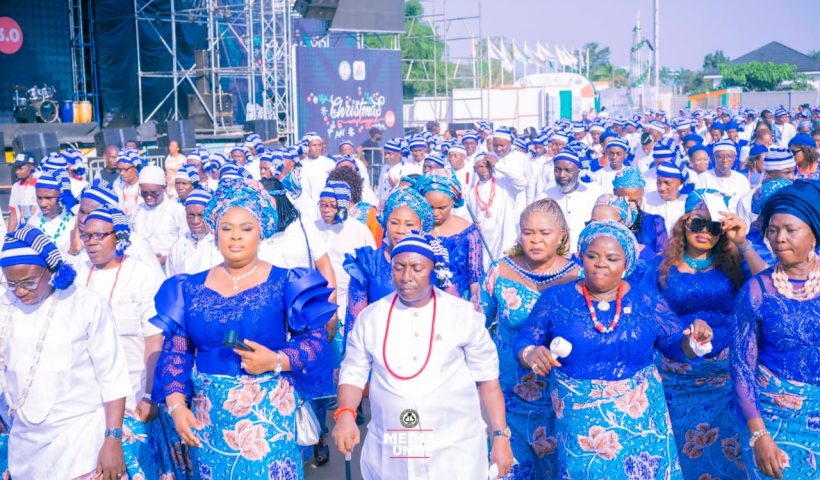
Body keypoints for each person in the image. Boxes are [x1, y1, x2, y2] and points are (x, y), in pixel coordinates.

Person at [151, 178, 336, 479]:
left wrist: (277, 360)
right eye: (227, 228)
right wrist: (176, 406)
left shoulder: (286, 282)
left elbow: (315, 343)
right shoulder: (189, 287)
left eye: (246, 229)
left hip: (270, 420)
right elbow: (176, 353)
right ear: (215, 232)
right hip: (208, 420)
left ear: (261, 232)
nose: (235, 236)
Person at [515, 220, 714, 478]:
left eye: (611, 258)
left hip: (642, 422)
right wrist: (530, 353)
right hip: (582, 426)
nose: (600, 264)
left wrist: (694, 340)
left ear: (625, 265)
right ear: (581, 257)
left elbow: (675, 346)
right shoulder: (557, 299)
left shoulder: (646, 299)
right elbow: (525, 340)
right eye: (592, 256)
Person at [332, 232, 514, 479]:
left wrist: (500, 436)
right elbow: (353, 371)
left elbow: (488, 380)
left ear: (432, 271)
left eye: (416, 268)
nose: (406, 277)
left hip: (454, 451)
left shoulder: (462, 315)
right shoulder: (370, 317)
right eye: (398, 268)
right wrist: (345, 414)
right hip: (392, 448)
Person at [0, 224, 131, 479]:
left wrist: (113, 439)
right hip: (25, 446)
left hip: (81, 442)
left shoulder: (86, 305)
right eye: (12, 283)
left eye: (28, 282)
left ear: (50, 270)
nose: (21, 291)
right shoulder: (6, 305)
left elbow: (113, 377)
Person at [655, 189, 763, 480]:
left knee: (727, 461)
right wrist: (683, 335)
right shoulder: (659, 266)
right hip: (676, 376)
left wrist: (742, 243)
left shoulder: (735, 263)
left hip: (724, 380)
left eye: (714, 226)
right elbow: (649, 309)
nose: (704, 232)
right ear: (684, 222)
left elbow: (770, 287)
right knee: (681, 458)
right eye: (697, 223)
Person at [479, 199, 580, 479]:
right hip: (508, 399)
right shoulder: (500, 272)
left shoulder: (579, 277)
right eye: (528, 232)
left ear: (561, 235)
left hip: (560, 401)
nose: (535, 240)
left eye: (544, 233)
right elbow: (476, 326)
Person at [731, 179, 820, 480]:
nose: (779, 239)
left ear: (813, 233)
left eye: (790, 230)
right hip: (774, 422)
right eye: (773, 230)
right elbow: (741, 368)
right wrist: (759, 435)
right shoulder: (757, 291)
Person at [77, 205, 165, 478]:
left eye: (99, 235)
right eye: (86, 235)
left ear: (119, 237)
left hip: (133, 396)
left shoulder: (141, 276)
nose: (91, 242)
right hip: (85, 402)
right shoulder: (76, 275)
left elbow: (154, 341)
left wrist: (150, 395)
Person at [417, 172, 484, 303]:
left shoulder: (468, 232)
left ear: (453, 202)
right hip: (423, 301)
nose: (435, 213)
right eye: (430, 207)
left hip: (459, 303)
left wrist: (475, 306)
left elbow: (475, 276)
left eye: (442, 208)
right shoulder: (417, 229)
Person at [535, 148, 601, 252]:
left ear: (578, 171)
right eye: (557, 170)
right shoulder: (544, 197)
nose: (562, 175)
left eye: (568, 170)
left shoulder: (593, 194)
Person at [467, 153, 520, 270]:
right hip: (483, 237)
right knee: (485, 268)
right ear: (474, 169)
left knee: (504, 268)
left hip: (502, 234)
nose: (484, 170)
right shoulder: (471, 193)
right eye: (480, 166)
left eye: (487, 166)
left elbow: (521, 182)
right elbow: (469, 216)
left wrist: (498, 165)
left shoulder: (505, 185)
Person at [132, 165, 188, 267]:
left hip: (170, 267)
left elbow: (186, 246)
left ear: (164, 187)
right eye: (144, 193)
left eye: (153, 193)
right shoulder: (136, 211)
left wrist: (166, 259)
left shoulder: (177, 211)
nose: (149, 197)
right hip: (141, 266)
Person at [612, 168, 669, 265]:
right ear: (615, 194)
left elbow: (664, 260)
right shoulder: (607, 222)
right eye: (626, 201)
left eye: (635, 201)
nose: (631, 206)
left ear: (642, 196)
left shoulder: (655, 223)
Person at [166, 189, 222, 276]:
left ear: (211, 215)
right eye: (191, 215)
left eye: (201, 216)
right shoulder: (178, 246)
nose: (195, 221)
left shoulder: (219, 245)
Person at [26, 170, 77, 256]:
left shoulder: (74, 222)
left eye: (48, 198)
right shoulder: (33, 222)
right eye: (39, 198)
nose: (42, 204)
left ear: (61, 197)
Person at [697, 140, 751, 212]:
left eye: (729, 156)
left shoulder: (742, 180)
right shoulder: (702, 179)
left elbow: (747, 208)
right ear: (714, 158)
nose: (725, 160)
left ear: (734, 158)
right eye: (720, 156)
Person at [643, 158, 690, 234]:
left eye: (667, 183)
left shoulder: (688, 203)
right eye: (658, 182)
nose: (662, 188)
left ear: (680, 182)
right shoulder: (645, 200)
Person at [7, 152, 39, 231]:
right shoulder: (16, 187)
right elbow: (14, 213)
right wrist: (9, 235)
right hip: (22, 232)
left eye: (20, 168)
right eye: (16, 168)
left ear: (31, 166)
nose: (17, 172)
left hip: (40, 231)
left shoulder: (41, 185)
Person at [114, 152, 143, 222]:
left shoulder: (144, 185)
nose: (121, 173)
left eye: (126, 169)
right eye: (119, 170)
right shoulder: (117, 186)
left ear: (135, 168)